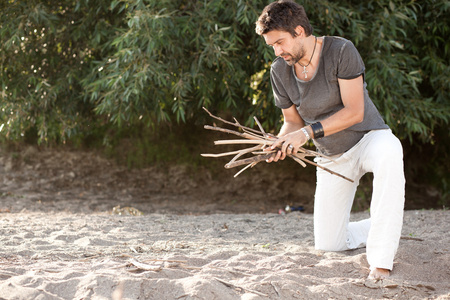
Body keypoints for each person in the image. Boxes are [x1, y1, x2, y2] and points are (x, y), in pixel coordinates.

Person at [255, 0, 405, 280]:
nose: (277, 51)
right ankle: (384, 224)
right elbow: (293, 123)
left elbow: (354, 111)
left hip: (368, 139)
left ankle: (381, 263)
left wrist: (306, 134)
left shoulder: (341, 50)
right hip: (331, 156)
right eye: (272, 46)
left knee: (390, 153)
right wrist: (279, 141)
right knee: (330, 244)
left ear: (299, 30)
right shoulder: (279, 71)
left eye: (280, 42)